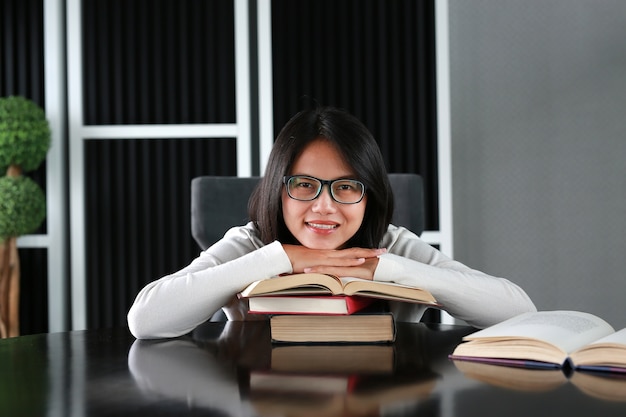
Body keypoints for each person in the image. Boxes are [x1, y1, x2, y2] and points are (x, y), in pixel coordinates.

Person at [127, 106, 536, 339]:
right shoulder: (252, 242)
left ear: (369, 194)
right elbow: (145, 320)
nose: (324, 207)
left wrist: (386, 268)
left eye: (345, 187)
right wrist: (280, 259)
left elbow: (517, 310)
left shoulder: (390, 243)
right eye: (304, 184)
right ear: (278, 188)